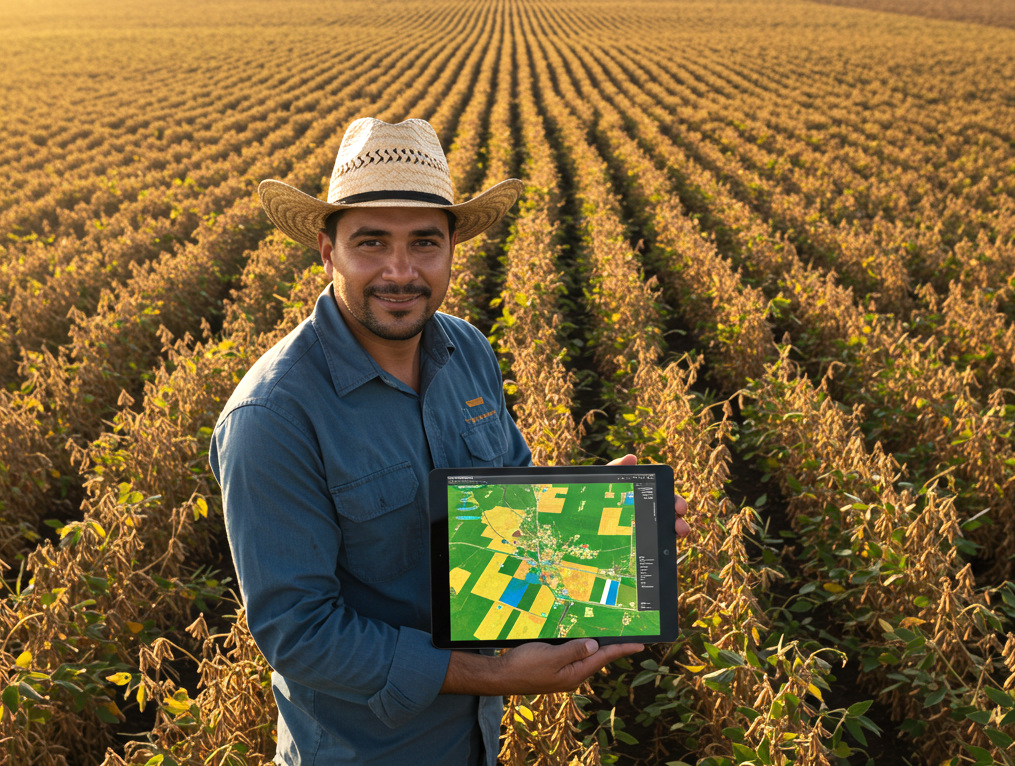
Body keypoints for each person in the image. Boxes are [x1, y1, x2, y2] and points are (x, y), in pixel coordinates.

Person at [209, 117, 691, 765]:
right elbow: (299, 634)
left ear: (454, 246)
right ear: (326, 248)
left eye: (425, 243)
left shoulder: (466, 350)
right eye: (371, 242)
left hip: (472, 739)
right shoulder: (273, 416)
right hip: (365, 751)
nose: (400, 271)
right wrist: (491, 675)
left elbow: (501, 513)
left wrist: (599, 521)